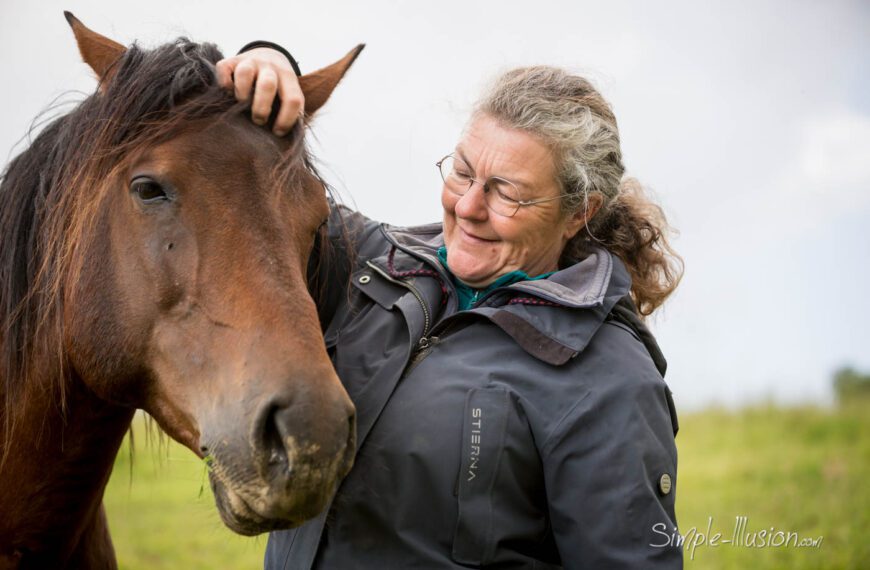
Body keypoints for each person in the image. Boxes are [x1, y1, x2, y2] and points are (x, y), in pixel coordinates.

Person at [217, 45, 684, 569]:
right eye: (462, 172)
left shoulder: (608, 380)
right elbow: (245, 200)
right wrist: (269, 61)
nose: (467, 207)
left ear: (579, 212)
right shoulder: (367, 266)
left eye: (506, 193)